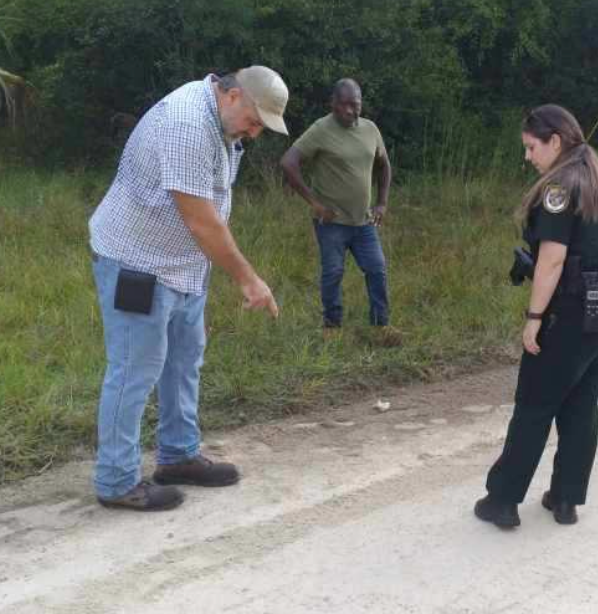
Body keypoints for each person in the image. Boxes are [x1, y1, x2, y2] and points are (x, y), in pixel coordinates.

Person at [88, 66, 287, 511]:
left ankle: (178, 456)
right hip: (136, 264)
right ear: (233, 96)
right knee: (134, 369)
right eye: (254, 121)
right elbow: (201, 220)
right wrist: (248, 279)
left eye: (261, 128)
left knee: (182, 361)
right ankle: (116, 480)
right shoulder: (185, 124)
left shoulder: (222, 122)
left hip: (183, 266)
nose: (254, 134)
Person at [474, 104, 598, 529]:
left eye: (531, 147)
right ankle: (566, 499)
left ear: (555, 142)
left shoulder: (560, 188)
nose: (527, 157)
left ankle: (502, 501)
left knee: (534, 404)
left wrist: (534, 318)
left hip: (574, 312)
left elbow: (552, 261)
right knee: (581, 402)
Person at [279, 78, 399, 343]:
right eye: (343, 104)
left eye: (354, 105)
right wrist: (315, 203)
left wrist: (382, 203)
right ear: (332, 103)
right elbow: (289, 162)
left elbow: (384, 165)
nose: (348, 110)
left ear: (360, 104)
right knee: (333, 272)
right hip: (331, 222)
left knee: (377, 269)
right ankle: (331, 328)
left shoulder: (370, 129)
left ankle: (381, 326)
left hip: (363, 222)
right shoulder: (321, 129)